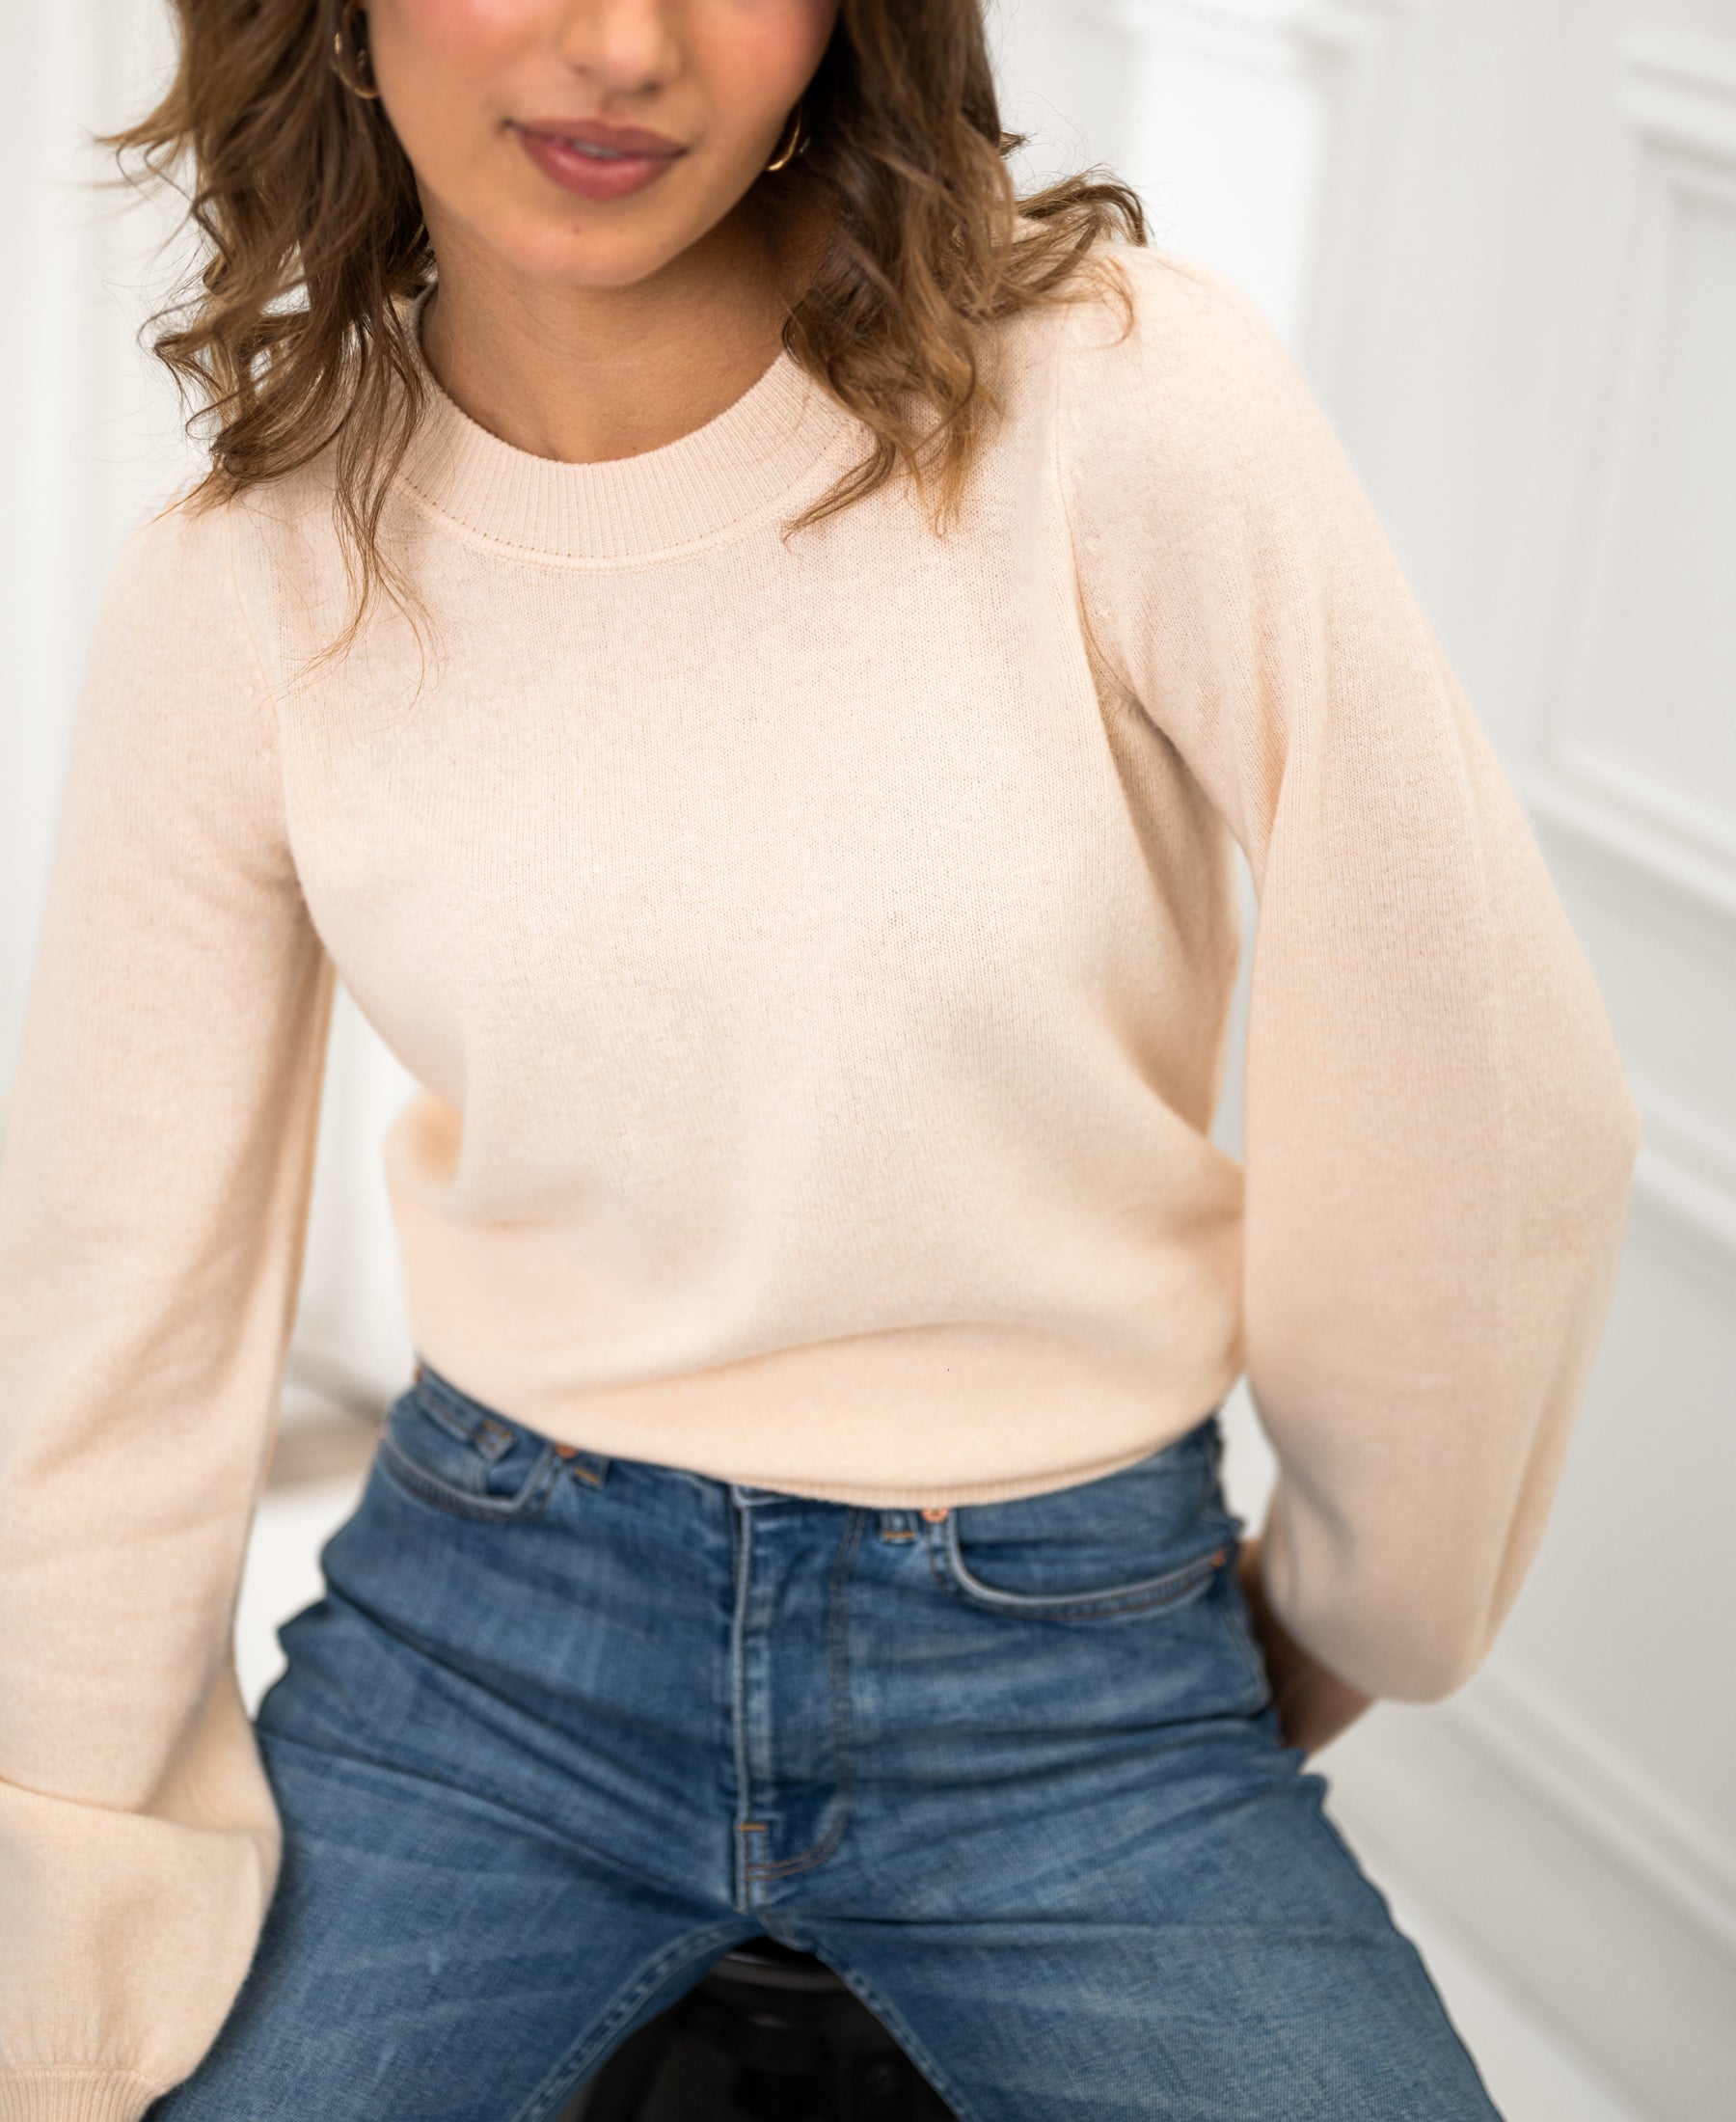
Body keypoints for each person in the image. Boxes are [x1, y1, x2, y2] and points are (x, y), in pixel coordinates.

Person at [0, 1, 1641, 2117]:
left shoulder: (1123, 403)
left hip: (1073, 1656)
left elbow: (1482, 1086)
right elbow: (107, 1300)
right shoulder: (247, 576)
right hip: (487, 1639)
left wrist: (1351, 1606)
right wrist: (70, 1897)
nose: (624, 45)